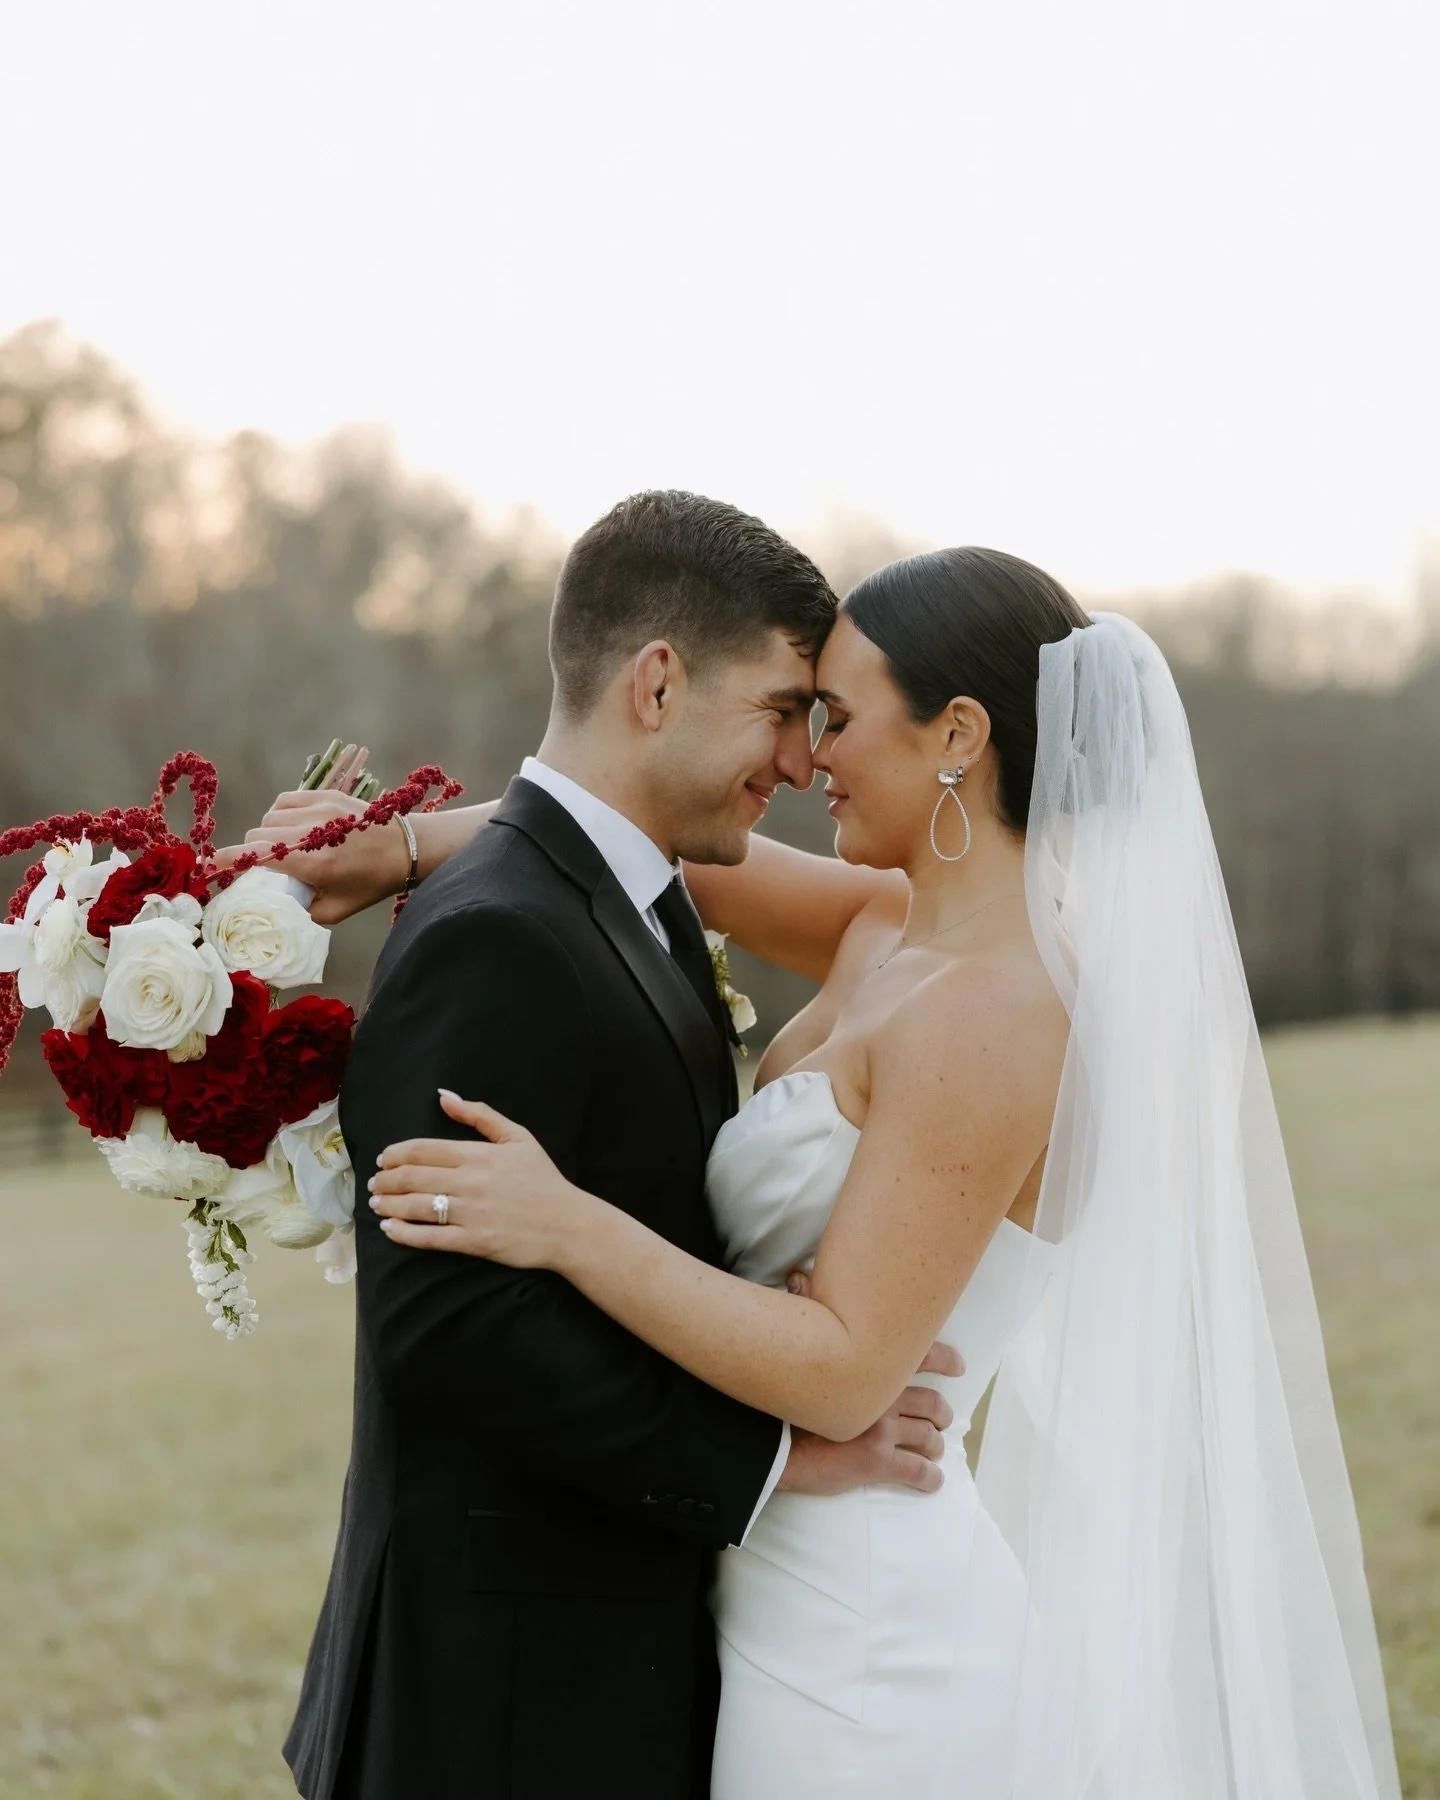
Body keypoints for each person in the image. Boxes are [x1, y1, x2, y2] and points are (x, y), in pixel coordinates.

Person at [258, 543, 1404, 1800]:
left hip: (867, 1636)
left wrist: (568, 1224)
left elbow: (853, 1371)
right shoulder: (887, 924)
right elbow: (616, 836)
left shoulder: (1004, 1009)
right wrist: (395, 848)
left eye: (839, 719)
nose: (810, 761)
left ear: (957, 734)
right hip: (764, 1579)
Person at [263, 493, 964, 1800]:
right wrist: (776, 1459)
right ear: (657, 684)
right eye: (781, 709)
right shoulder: (500, 934)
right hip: (496, 1703)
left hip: (600, 1660)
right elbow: (449, 1327)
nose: (798, 762)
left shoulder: (638, 903)